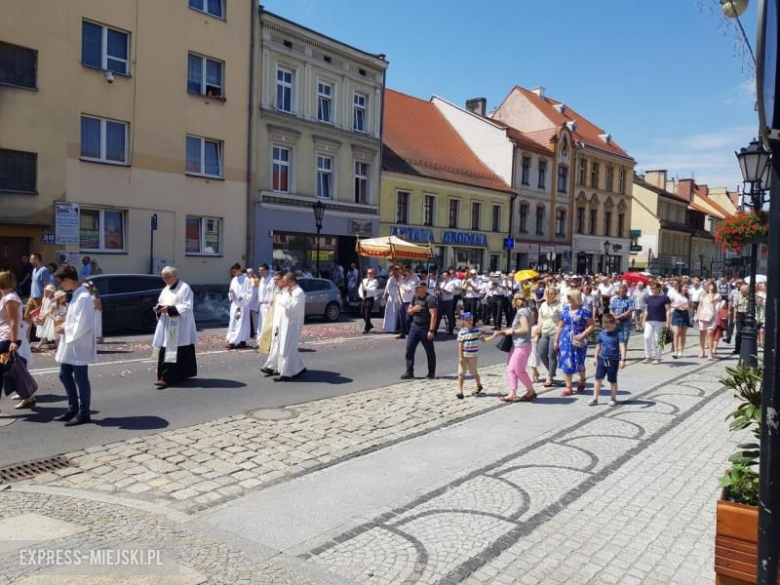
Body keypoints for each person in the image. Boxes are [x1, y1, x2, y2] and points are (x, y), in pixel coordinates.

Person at [54, 264, 96, 426]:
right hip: (72, 342)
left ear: (68, 279)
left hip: (80, 343)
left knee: (80, 377)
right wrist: (64, 323)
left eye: (61, 282)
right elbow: (74, 318)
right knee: (64, 374)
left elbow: (84, 322)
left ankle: (84, 413)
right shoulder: (76, 294)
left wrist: (65, 328)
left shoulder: (83, 296)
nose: (61, 285)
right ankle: (73, 409)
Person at [152, 267, 198, 389]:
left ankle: (165, 378)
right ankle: (178, 375)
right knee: (169, 348)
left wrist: (169, 309)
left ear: (175, 276)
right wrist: (158, 308)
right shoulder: (166, 289)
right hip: (167, 323)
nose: (165, 280)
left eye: (167, 277)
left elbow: (187, 306)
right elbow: (160, 302)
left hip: (180, 324)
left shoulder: (185, 288)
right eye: (164, 278)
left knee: (172, 349)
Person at [0, 270, 35, 410]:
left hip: (7, 340)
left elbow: (13, 321)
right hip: (4, 338)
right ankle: (28, 397)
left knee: (3, 370)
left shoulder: (10, 299)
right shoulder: (5, 296)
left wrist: (13, 341)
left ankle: (28, 396)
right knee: (10, 370)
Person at [263, 273, 306, 382]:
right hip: (284, 324)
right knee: (284, 348)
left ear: (291, 281)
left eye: (285, 281)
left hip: (293, 325)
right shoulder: (288, 291)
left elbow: (291, 308)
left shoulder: (298, 292)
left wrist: (282, 298)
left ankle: (286, 373)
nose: (283, 283)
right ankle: (296, 369)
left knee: (287, 349)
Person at [554, 290, 595, 396]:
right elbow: (560, 326)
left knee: (579, 362)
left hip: (579, 339)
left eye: (570, 296)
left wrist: (582, 334)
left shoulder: (584, 310)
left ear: (575, 297)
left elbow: (591, 325)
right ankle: (569, 387)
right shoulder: (565, 310)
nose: (568, 298)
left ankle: (582, 379)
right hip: (565, 339)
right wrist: (556, 340)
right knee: (567, 362)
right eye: (568, 296)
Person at [496, 294, 535, 403]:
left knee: (519, 370)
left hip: (522, 345)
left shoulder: (522, 312)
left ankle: (530, 391)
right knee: (511, 369)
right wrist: (506, 331)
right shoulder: (525, 311)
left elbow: (525, 329)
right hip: (517, 345)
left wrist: (511, 331)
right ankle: (512, 393)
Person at [401, 282, 438, 380]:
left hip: (425, 328)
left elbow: (434, 315)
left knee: (429, 350)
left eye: (419, 287)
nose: (417, 289)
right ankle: (409, 371)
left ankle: (431, 372)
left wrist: (431, 330)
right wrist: (414, 309)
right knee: (409, 349)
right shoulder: (415, 297)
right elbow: (409, 311)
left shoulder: (430, 299)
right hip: (415, 326)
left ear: (424, 288)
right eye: (416, 287)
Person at [589, 313, 627, 407]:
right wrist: (595, 358)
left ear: (614, 324)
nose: (607, 328)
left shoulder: (618, 334)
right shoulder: (601, 334)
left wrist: (622, 360)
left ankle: (613, 398)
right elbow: (598, 346)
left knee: (612, 380)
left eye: (609, 326)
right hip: (602, 359)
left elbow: (622, 347)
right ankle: (595, 398)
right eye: (605, 326)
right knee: (598, 379)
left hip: (613, 360)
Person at [455, 312, 486, 399]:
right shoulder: (461, 332)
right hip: (464, 355)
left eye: (470, 319)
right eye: (467, 320)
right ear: (463, 321)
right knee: (461, 373)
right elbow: (460, 345)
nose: (469, 321)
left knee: (474, 372)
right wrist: (460, 356)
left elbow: (483, 340)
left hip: (473, 355)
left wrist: (493, 336)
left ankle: (479, 385)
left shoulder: (477, 330)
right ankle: (460, 391)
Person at [24, 253, 53, 340]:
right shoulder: (34, 270)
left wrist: (45, 299)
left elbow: (46, 286)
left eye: (31, 259)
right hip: (32, 297)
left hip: (40, 298)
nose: (30, 261)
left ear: (37, 259)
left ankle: (44, 339)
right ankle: (27, 340)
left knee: (39, 320)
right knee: (27, 318)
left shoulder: (44, 270)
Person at [537, 287, 562, 388]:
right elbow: (540, 318)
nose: (552, 295)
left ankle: (550, 376)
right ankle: (552, 371)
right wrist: (538, 328)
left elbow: (562, 320)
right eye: (550, 293)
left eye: (553, 294)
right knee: (542, 354)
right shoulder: (543, 305)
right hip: (544, 331)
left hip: (555, 331)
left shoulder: (559, 305)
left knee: (552, 355)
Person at [642, 282, 671, 365]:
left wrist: (668, 322)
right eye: (651, 288)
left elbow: (668, 311)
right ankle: (648, 357)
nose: (652, 290)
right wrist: (643, 320)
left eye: (654, 288)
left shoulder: (665, 298)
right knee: (647, 337)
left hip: (660, 321)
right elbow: (646, 310)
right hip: (649, 320)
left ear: (659, 288)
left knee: (657, 340)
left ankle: (658, 357)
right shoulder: (649, 298)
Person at [225, 263, 252, 349]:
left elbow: (249, 293)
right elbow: (231, 290)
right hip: (235, 305)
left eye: (235, 271)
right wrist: (231, 293)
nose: (234, 273)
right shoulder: (234, 280)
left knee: (240, 323)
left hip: (242, 305)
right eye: (233, 272)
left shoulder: (247, 280)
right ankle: (236, 340)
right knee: (234, 322)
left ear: (240, 269)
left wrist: (242, 298)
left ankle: (236, 341)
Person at [257, 272, 284, 356]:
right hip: (274, 313)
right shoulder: (276, 289)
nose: (275, 281)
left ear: (282, 280)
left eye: (277, 279)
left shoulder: (286, 290)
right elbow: (273, 300)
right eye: (274, 279)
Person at [695, 281, 720, 360]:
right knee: (702, 333)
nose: (708, 286)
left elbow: (711, 301)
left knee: (710, 333)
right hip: (703, 315)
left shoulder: (717, 295)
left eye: (710, 285)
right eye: (707, 285)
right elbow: (700, 305)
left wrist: (711, 292)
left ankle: (710, 353)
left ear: (713, 286)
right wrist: (697, 315)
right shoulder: (703, 294)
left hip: (712, 316)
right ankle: (702, 351)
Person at [668, 278, 690, 359]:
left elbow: (690, 306)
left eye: (687, 287)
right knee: (676, 333)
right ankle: (676, 351)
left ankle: (681, 350)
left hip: (685, 314)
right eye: (684, 287)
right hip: (677, 313)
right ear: (681, 288)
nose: (686, 288)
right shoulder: (675, 295)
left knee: (683, 334)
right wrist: (675, 305)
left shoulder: (688, 296)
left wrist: (687, 307)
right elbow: (669, 304)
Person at [35, 284, 59, 350]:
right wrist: (40, 314)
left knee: (52, 333)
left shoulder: (54, 300)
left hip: (50, 317)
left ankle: (39, 346)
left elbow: (51, 310)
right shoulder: (45, 298)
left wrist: (45, 315)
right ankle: (57, 346)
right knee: (45, 332)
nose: (48, 293)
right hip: (44, 317)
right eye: (47, 291)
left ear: (53, 292)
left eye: (49, 291)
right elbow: (42, 307)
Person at [358, 268, 379, 334]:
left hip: (370, 299)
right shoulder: (364, 280)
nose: (369, 274)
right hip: (364, 299)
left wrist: (366, 287)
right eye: (368, 273)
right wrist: (361, 296)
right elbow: (360, 289)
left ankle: (366, 329)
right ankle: (370, 325)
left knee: (367, 314)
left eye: (371, 273)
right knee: (362, 313)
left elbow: (373, 290)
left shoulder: (375, 281)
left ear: (373, 274)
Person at [382, 266, 403, 334]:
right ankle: (390, 328)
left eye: (397, 270)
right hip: (392, 299)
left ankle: (398, 328)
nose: (396, 272)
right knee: (391, 314)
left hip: (399, 298)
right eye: (395, 270)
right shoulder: (391, 279)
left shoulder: (401, 278)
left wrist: (399, 287)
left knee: (398, 314)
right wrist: (396, 288)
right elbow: (388, 289)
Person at [256, 264, 274, 339]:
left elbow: (273, 293)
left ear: (266, 270)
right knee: (260, 324)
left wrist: (270, 305)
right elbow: (259, 293)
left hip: (268, 305)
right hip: (261, 305)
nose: (260, 272)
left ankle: (266, 341)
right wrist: (257, 305)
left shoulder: (272, 281)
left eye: (261, 270)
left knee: (266, 323)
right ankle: (260, 340)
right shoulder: (261, 280)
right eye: (259, 270)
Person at [733, 284, 750, 356]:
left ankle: (747, 348)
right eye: (741, 291)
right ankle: (737, 348)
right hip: (740, 315)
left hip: (748, 315)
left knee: (748, 333)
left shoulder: (751, 298)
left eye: (744, 291)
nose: (742, 292)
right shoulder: (738, 297)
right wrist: (734, 317)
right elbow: (735, 308)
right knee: (739, 333)